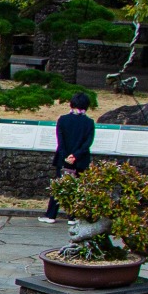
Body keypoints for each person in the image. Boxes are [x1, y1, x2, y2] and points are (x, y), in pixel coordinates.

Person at [43, 90, 97, 220]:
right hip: (80, 160)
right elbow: (87, 143)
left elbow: (60, 141)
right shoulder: (89, 122)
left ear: (71, 104)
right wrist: (75, 156)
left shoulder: (63, 120)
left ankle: (51, 215)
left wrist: (66, 156)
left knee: (58, 187)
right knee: (78, 187)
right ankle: (73, 217)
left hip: (63, 159)